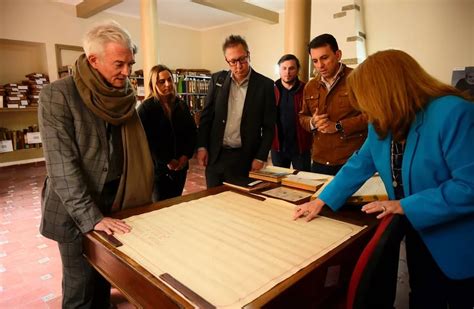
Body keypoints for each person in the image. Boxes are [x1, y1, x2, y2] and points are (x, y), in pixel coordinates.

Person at [294, 50, 474, 308]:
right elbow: (360, 163)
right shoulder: (383, 118)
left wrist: (405, 205)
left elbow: (469, 186)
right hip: (416, 231)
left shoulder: (453, 112)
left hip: (456, 240)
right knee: (422, 296)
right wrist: (322, 199)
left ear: (387, 91)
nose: (365, 109)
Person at [38, 21, 153, 308]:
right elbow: (62, 168)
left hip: (114, 204)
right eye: (119, 64)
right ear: (93, 60)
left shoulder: (123, 95)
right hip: (74, 211)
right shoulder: (57, 95)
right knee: (81, 291)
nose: (128, 73)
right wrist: (93, 218)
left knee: (104, 279)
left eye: (131, 64)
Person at [196, 35, 276, 188]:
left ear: (249, 55)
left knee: (241, 205)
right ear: (227, 60)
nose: (238, 66)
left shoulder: (265, 85)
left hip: (245, 158)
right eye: (233, 61)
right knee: (213, 203)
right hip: (216, 157)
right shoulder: (217, 80)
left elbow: (269, 127)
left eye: (242, 59)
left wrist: (261, 157)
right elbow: (206, 118)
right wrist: (202, 147)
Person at [299, 33, 367, 175]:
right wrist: (313, 122)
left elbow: (372, 116)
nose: (320, 65)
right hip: (320, 160)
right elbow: (302, 117)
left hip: (352, 158)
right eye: (315, 61)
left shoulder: (358, 79)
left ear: (338, 55)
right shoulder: (310, 86)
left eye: (324, 58)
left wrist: (338, 126)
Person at [138, 65, 196, 202]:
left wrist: (185, 156)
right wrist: (166, 160)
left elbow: (192, 132)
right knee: (159, 207)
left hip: (180, 168)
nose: (168, 84)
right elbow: (146, 141)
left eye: (170, 79)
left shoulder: (181, 105)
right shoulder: (146, 109)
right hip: (158, 171)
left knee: (176, 203)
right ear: (153, 84)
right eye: (162, 81)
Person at [271, 54, 312, 171]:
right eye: (284, 68)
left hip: (300, 148)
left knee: (304, 182)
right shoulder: (271, 90)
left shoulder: (306, 90)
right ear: (279, 69)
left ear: (297, 70)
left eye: (291, 68)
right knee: (278, 186)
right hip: (278, 147)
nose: (287, 72)